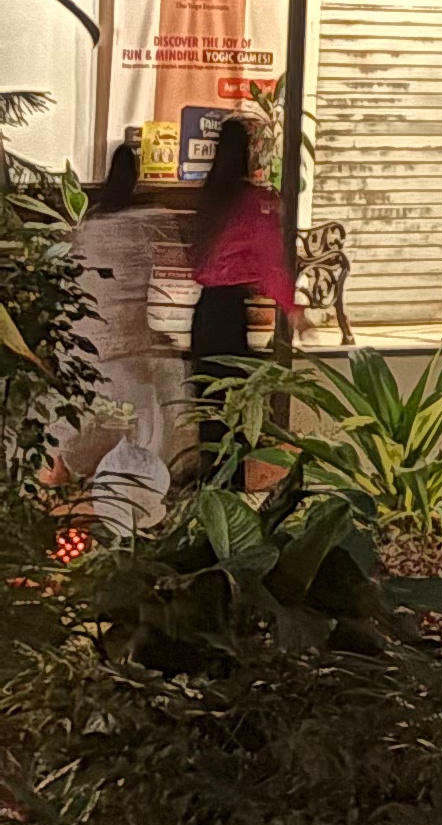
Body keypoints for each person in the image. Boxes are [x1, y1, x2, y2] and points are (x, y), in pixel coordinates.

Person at [52, 143, 180, 525]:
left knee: (77, 423)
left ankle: (63, 488)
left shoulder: (88, 227)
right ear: (136, 179)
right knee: (151, 409)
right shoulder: (144, 225)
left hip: (83, 343)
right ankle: (135, 500)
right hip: (125, 347)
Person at [187, 117, 296, 478]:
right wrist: (292, 306)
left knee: (207, 401)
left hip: (204, 309)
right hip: (230, 312)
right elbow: (269, 262)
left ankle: (209, 481)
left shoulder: (208, 198)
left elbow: (196, 258)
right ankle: (230, 482)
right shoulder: (251, 202)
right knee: (234, 400)